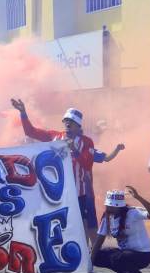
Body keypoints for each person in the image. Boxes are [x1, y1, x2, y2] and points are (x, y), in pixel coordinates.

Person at [10, 99, 110, 239]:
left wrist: (74, 150)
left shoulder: (86, 142)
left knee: (86, 224)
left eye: (71, 121)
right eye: (66, 120)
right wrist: (23, 113)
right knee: (63, 225)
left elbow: (87, 165)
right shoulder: (55, 136)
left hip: (81, 194)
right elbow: (30, 132)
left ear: (78, 125)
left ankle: (92, 256)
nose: (68, 123)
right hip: (59, 193)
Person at [91, 187, 150, 273]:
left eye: (114, 206)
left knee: (119, 258)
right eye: (109, 205)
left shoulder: (133, 213)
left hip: (143, 255)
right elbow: (99, 239)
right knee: (96, 255)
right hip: (125, 254)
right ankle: (124, 271)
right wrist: (90, 260)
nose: (110, 208)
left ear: (121, 207)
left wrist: (138, 197)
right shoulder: (107, 217)